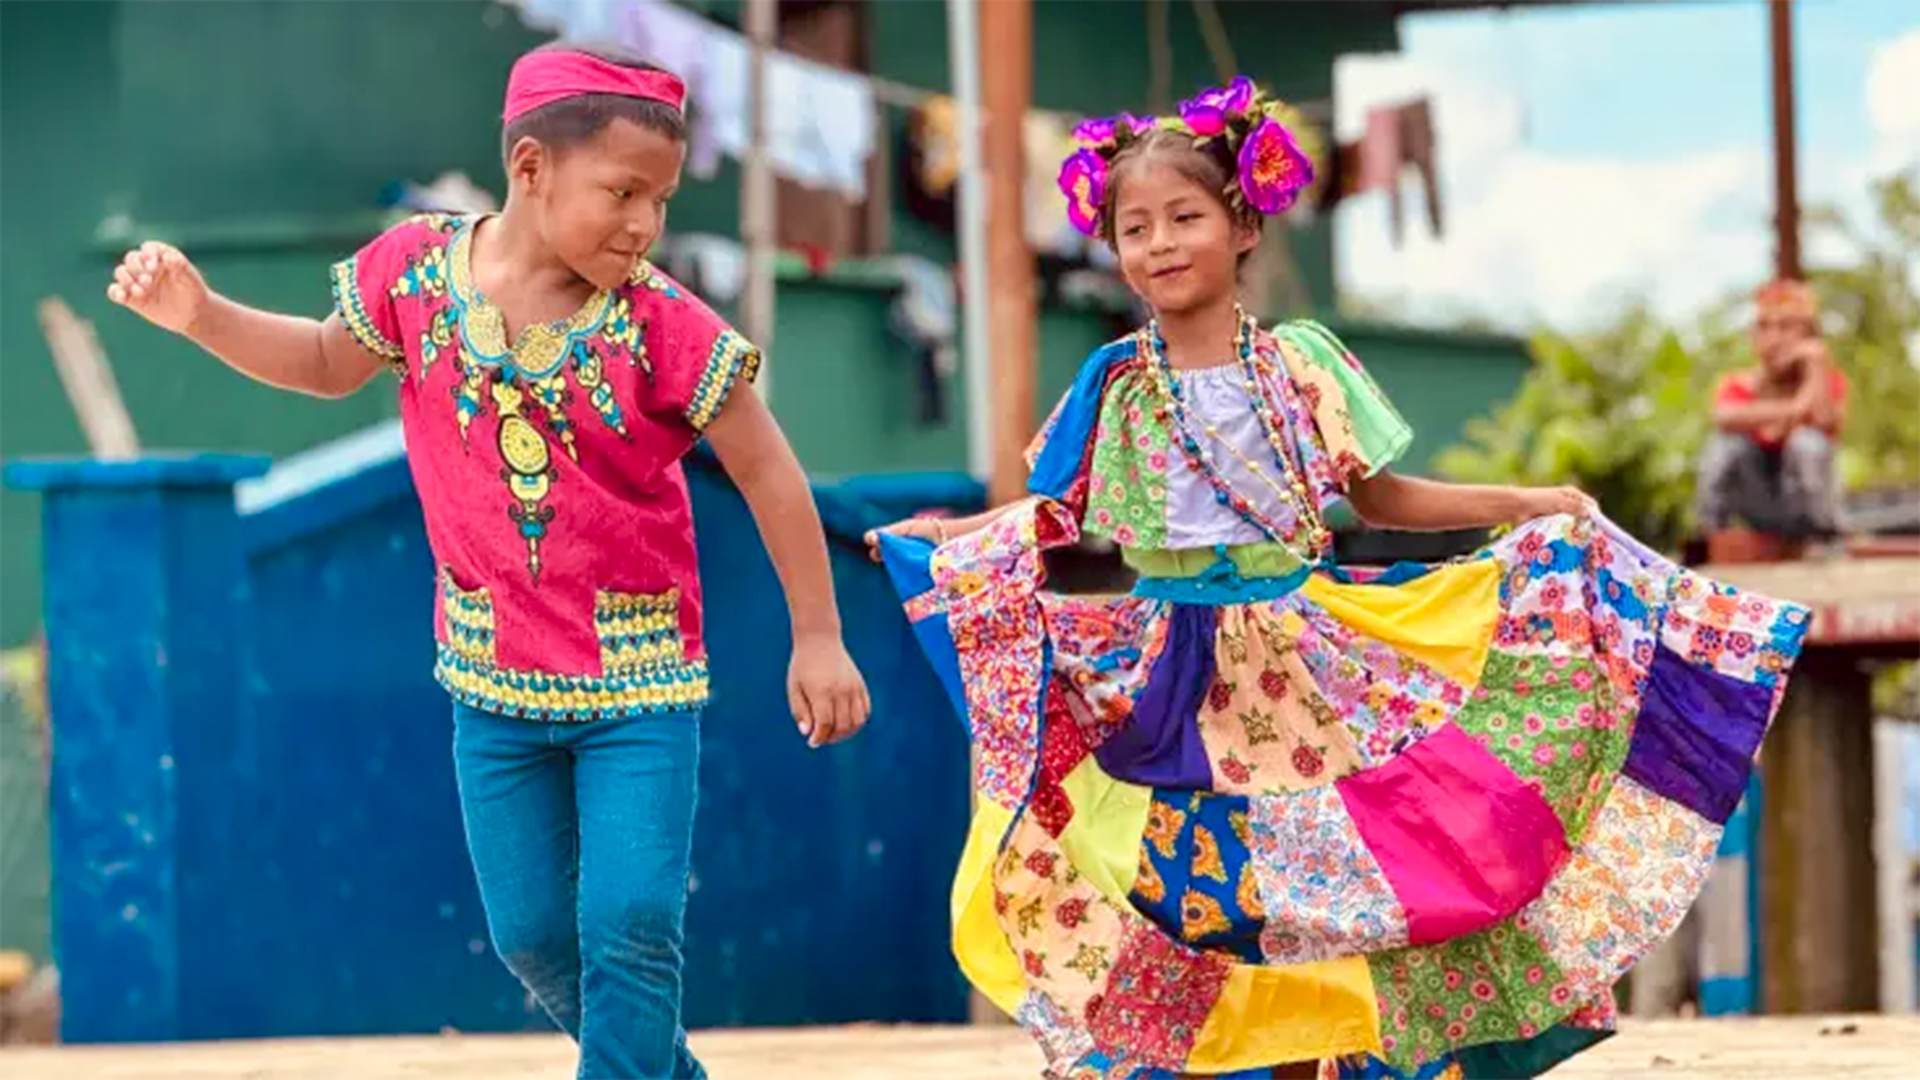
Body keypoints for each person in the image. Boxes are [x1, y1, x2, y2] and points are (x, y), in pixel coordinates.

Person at [867, 77, 1808, 1080]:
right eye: (1135, 227)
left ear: (1242, 224)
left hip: (1306, 657)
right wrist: (947, 535)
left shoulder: (1301, 365)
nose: (1160, 242)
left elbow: (1382, 498)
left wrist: (1525, 503)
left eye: (1185, 216)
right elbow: (1051, 516)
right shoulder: (1113, 382)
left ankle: (1336, 1059)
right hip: (1171, 670)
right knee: (1196, 880)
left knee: (1352, 876)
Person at [106, 43, 870, 1080]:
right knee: (531, 938)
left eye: (661, 199)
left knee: (633, 920)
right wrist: (201, 316)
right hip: (489, 681)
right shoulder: (414, 273)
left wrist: (818, 635)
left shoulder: (663, 326)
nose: (647, 225)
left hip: (639, 684)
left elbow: (770, 471)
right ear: (528, 168)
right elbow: (329, 362)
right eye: (623, 192)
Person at [1696, 278, 1847, 543]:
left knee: (1808, 443)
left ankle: (1823, 538)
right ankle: (1710, 536)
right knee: (1725, 446)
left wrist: (1816, 365)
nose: (1774, 337)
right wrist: (1797, 408)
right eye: (1764, 327)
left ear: (1808, 335)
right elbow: (1724, 418)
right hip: (1760, 505)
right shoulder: (1738, 384)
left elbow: (1824, 421)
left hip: (1805, 509)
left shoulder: (1827, 381)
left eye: (1787, 326)